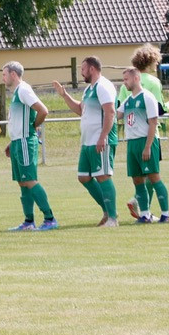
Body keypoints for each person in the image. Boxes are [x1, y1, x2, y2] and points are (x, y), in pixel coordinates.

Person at [54, 56, 119, 227]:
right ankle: (107, 210)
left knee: (103, 176)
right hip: (88, 141)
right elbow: (79, 109)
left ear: (91, 69)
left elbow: (110, 112)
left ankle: (112, 218)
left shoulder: (104, 86)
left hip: (100, 139)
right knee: (84, 177)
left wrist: (103, 136)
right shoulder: (89, 89)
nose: (81, 73)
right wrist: (64, 95)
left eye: (82, 69)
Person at [0, 61, 56, 231]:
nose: (3, 78)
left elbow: (43, 110)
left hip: (25, 141)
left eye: (4, 74)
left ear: (13, 74)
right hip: (18, 141)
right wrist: (13, 140)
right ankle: (28, 221)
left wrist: (32, 128)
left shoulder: (24, 89)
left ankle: (50, 218)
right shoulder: (17, 92)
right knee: (22, 182)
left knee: (30, 180)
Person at [120, 44, 166, 217]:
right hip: (151, 135)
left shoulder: (127, 87)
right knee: (152, 174)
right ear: (150, 61)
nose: (157, 66)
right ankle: (144, 207)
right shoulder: (153, 82)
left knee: (142, 175)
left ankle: (144, 209)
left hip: (133, 134)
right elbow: (160, 110)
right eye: (156, 62)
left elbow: (119, 107)